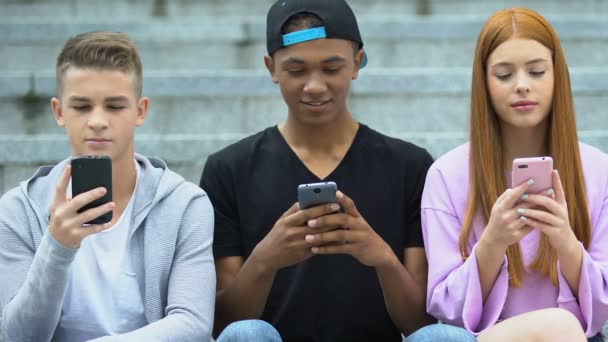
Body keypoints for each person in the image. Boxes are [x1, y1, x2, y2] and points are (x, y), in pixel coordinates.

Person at [201, 0, 434, 340]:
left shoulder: (410, 166)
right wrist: (265, 259)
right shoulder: (229, 169)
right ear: (271, 68)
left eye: (331, 68)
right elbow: (224, 326)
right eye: (297, 71)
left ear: (358, 62)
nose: (314, 86)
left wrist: (381, 257)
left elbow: (421, 324)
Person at [0, 31, 216, 341]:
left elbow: (192, 323)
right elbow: (19, 337)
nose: (98, 121)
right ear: (59, 112)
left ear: (140, 111)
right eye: (82, 107)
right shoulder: (19, 209)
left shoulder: (184, 204)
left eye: (114, 106)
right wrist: (57, 246)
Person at [412, 7, 607, 342]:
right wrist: (493, 241)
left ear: (557, 76)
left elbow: (602, 309)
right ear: (484, 83)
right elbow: (444, 310)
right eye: (503, 75)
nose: (521, 86)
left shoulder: (598, 170)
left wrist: (564, 239)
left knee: (559, 327)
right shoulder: (446, 174)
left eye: (536, 72)